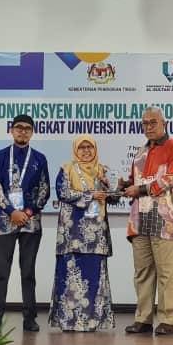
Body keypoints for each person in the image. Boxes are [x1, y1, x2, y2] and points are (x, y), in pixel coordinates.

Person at [121, 106, 173, 335]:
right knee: (142, 271)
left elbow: (171, 179)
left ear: (164, 124)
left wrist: (139, 189)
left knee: (166, 272)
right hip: (140, 219)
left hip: (166, 219)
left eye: (153, 122)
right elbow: (135, 180)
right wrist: (125, 185)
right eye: (145, 123)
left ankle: (168, 319)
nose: (148, 127)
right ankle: (143, 318)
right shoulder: (140, 152)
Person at [48, 135, 117, 332]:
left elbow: (113, 198)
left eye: (89, 147)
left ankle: (92, 322)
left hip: (96, 237)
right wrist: (91, 195)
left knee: (93, 279)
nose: (86, 151)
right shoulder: (66, 169)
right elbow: (63, 193)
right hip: (72, 236)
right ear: (75, 150)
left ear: (95, 149)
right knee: (70, 277)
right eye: (82, 147)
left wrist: (109, 186)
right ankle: (68, 321)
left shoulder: (103, 170)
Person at [0, 114, 50, 332]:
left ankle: (29, 318)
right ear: (11, 130)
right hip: (4, 222)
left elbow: (44, 190)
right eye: (18, 127)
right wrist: (11, 211)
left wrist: (28, 211)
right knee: (1, 272)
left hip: (30, 223)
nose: (22, 131)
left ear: (32, 132)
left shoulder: (39, 158)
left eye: (27, 128)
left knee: (28, 272)